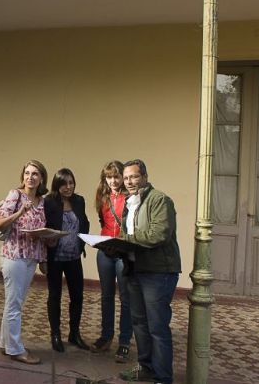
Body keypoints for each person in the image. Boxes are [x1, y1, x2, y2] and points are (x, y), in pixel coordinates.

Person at [115, 159, 181, 384]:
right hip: (134, 270)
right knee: (139, 324)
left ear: (144, 177)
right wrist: (114, 247)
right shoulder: (130, 203)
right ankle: (146, 368)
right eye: (126, 178)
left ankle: (163, 378)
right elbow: (131, 236)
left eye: (133, 176)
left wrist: (124, 240)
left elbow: (158, 234)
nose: (129, 181)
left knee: (157, 327)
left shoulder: (159, 200)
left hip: (158, 272)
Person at [0, 159, 49, 365]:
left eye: (35, 174)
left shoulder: (42, 202)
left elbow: (40, 231)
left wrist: (43, 258)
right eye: (27, 173)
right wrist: (20, 213)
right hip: (14, 256)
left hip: (31, 258)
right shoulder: (15, 195)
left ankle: (5, 343)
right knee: (14, 303)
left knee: (14, 302)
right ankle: (16, 349)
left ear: (41, 178)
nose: (30, 177)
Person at [43, 168, 90, 353]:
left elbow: (84, 222)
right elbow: (43, 227)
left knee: (77, 296)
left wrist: (82, 243)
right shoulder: (49, 202)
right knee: (54, 296)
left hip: (74, 257)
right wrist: (48, 241)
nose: (68, 187)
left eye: (71, 183)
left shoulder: (79, 201)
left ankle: (74, 334)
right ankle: (55, 334)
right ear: (57, 185)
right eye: (64, 184)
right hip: (55, 257)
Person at [91, 160, 133, 363]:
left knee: (126, 298)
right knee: (106, 296)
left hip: (123, 252)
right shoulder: (103, 197)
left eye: (116, 176)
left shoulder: (131, 197)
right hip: (105, 250)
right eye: (109, 177)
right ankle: (106, 336)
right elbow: (103, 220)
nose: (113, 181)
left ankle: (124, 342)